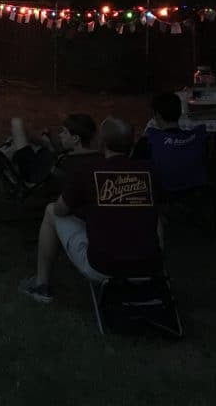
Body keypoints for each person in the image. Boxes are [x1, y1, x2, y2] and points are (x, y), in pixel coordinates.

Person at [19, 117, 162, 303]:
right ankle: (151, 260)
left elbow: (61, 211)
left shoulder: (88, 171)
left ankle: (41, 286)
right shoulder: (150, 172)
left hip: (103, 267)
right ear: (132, 144)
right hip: (150, 268)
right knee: (155, 213)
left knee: (50, 210)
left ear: (102, 144)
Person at [11, 113, 97, 186]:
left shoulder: (69, 162)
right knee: (31, 136)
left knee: (16, 123)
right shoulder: (88, 156)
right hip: (43, 159)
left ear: (75, 138)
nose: (60, 135)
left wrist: (49, 148)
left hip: (33, 171)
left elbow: (52, 173)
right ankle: (45, 142)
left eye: (64, 132)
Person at [131, 92, 184, 159]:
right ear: (179, 112)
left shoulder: (147, 143)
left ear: (157, 115)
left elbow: (133, 167)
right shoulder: (194, 141)